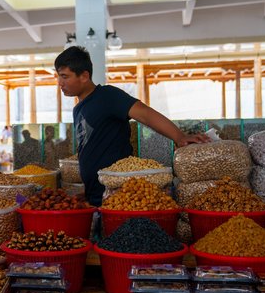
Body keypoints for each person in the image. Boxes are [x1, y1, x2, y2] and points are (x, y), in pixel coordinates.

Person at [55, 46, 209, 206]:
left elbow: (145, 113)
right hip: (95, 196)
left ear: (84, 76)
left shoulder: (107, 96)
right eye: (59, 76)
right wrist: (88, 192)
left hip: (120, 195)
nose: (60, 83)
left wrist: (180, 137)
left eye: (65, 76)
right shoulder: (78, 109)